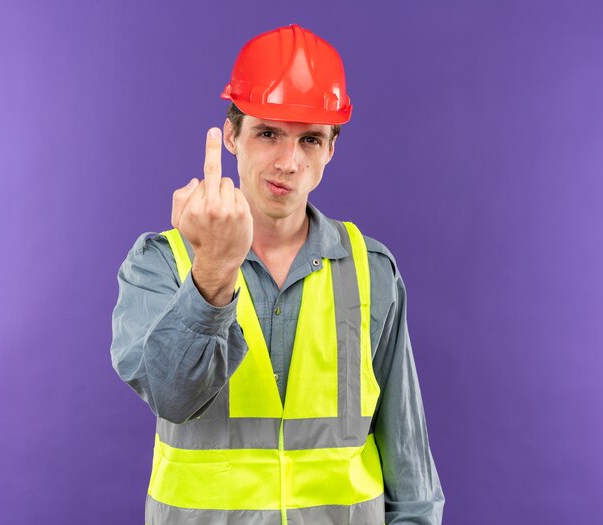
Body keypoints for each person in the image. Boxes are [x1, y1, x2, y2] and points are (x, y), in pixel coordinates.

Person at [111, 24, 444, 525]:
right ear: (231, 136)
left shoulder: (371, 269)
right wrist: (215, 270)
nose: (288, 162)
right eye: (268, 133)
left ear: (331, 149)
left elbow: (410, 467)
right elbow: (172, 397)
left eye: (310, 139)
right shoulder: (160, 262)